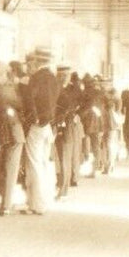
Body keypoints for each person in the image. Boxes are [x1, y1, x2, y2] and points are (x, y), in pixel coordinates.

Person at [22, 46, 59, 214]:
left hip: (37, 126)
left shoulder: (36, 77)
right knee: (44, 163)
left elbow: (30, 100)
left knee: (34, 163)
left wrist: (34, 119)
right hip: (48, 126)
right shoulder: (53, 77)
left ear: (36, 61)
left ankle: (36, 204)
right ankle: (45, 199)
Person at [0, 61, 25, 216]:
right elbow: (21, 105)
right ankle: (6, 205)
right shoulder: (10, 88)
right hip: (14, 131)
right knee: (10, 169)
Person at [53, 65, 81, 200]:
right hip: (58, 124)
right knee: (59, 156)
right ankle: (59, 186)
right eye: (61, 75)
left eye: (65, 75)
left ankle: (63, 190)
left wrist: (75, 115)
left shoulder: (72, 90)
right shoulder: (58, 88)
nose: (63, 78)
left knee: (64, 156)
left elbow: (76, 106)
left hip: (66, 125)